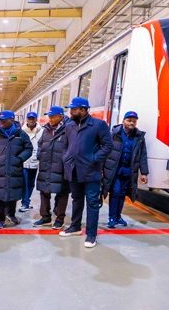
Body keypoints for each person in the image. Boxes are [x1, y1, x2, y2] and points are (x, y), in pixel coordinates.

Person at [60, 97, 112, 248]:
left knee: (92, 203)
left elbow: (108, 146)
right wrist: (66, 158)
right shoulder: (69, 126)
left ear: (83, 110)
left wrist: (94, 159)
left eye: (73, 109)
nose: (70, 111)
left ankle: (91, 234)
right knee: (76, 199)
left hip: (91, 171)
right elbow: (65, 146)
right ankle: (75, 227)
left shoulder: (98, 125)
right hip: (73, 170)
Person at [0, 110, 33, 229]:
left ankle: (11, 214)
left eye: (4, 121)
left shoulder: (20, 134)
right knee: (0, 194)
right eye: (0, 120)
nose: (1, 123)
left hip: (14, 169)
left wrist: (20, 159)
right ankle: (0, 218)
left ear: (12, 120)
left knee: (13, 194)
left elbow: (29, 148)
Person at [102, 111, 149, 228]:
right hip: (115, 169)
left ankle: (118, 217)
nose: (132, 122)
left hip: (129, 170)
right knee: (115, 192)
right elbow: (106, 150)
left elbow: (143, 155)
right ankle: (112, 217)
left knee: (123, 194)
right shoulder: (114, 133)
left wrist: (144, 173)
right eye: (129, 120)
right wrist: (101, 168)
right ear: (123, 121)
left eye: (134, 120)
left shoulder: (139, 137)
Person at [33, 106, 70, 230]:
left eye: (53, 116)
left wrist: (65, 161)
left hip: (61, 167)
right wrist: (40, 155)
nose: (50, 119)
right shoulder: (46, 130)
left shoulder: (68, 129)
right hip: (45, 166)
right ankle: (45, 217)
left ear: (61, 116)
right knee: (44, 192)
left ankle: (59, 219)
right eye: (49, 116)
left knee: (62, 193)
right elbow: (40, 144)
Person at [20, 111, 43, 212]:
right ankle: (24, 203)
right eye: (29, 118)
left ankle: (27, 201)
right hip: (24, 161)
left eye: (33, 119)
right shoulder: (21, 131)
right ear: (27, 120)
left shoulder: (41, 131)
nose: (31, 120)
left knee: (31, 183)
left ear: (36, 119)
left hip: (35, 161)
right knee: (24, 183)